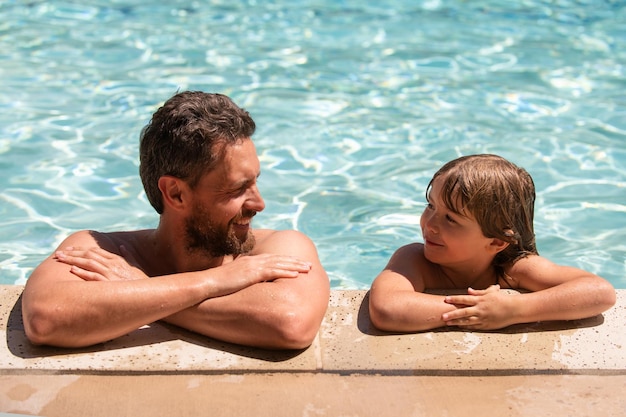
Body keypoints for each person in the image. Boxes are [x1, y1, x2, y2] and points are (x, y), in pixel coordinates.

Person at [21, 91, 330, 349]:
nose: (259, 203)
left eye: (255, 181)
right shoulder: (101, 250)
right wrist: (215, 282)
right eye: (237, 189)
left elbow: (291, 323)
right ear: (176, 193)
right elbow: (46, 318)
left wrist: (141, 290)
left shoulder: (277, 248)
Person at [369, 154, 615, 332]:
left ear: (497, 241)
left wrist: (515, 309)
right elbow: (387, 308)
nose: (430, 224)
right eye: (430, 206)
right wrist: (477, 311)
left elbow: (599, 292)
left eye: (451, 219)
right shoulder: (414, 259)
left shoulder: (513, 269)